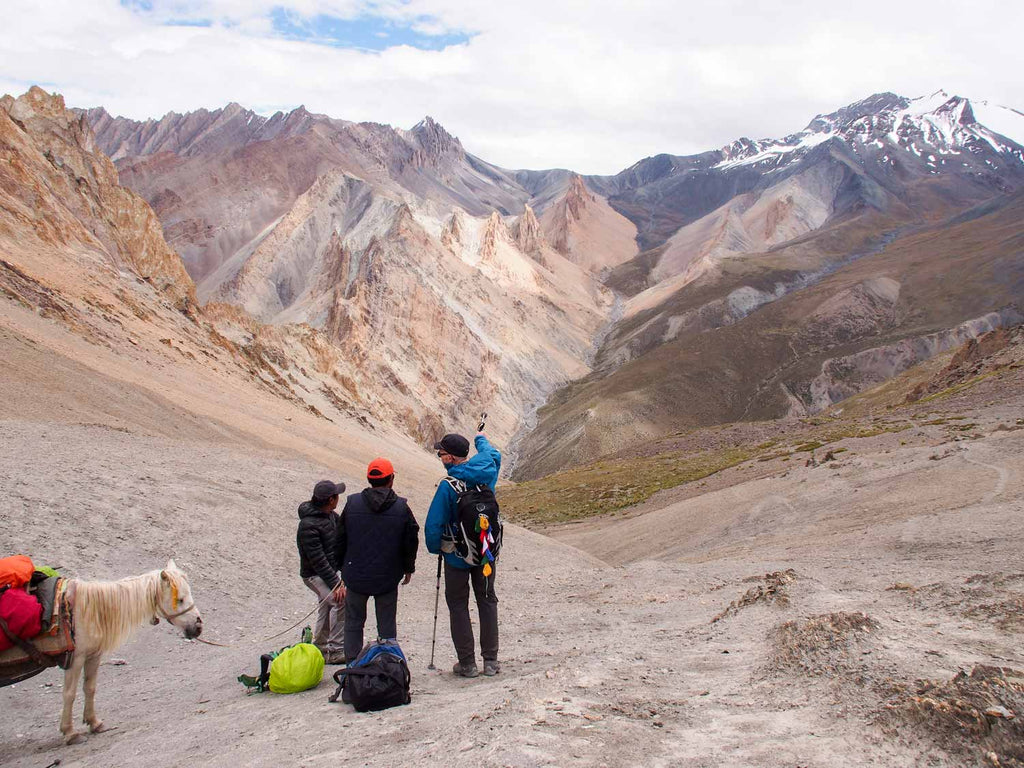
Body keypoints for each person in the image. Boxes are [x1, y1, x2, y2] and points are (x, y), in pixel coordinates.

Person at [425, 432, 502, 678]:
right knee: (487, 600)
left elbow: (433, 526)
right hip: (485, 552)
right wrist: (481, 439)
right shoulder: (487, 476)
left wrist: (437, 548)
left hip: (456, 556)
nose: (440, 457)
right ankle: (490, 661)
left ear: (450, 457)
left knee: (458, 605)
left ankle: (467, 664)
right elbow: (493, 454)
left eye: (441, 454)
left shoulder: (448, 486)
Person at [336, 458, 419, 662]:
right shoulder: (401, 507)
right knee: (387, 623)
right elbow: (411, 538)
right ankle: (388, 666)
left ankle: (352, 667)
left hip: (355, 575)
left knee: (354, 622)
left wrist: (341, 569)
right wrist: (408, 568)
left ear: (369, 479)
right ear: (391, 480)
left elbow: (340, 538)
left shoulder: (352, 503)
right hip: (388, 576)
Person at [296, 479, 347, 664]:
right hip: (313, 575)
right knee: (340, 600)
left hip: (327, 572)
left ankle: (319, 646)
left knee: (326, 604)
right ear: (331, 499)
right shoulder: (308, 525)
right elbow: (318, 560)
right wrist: (336, 583)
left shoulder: (331, 516)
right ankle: (335, 649)